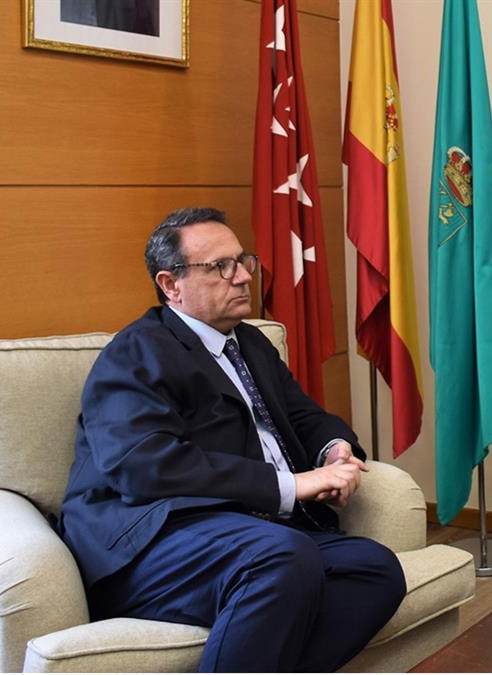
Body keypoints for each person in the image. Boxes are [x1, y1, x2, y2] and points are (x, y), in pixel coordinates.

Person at [58, 207, 405, 672]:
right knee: (281, 556)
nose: (242, 276)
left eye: (242, 260)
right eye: (220, 266)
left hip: (250, 532)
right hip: (152, 540)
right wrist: (290, 485)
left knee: (375, 568)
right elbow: (143, 466)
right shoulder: (136, 352)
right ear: (170, 285)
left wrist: (334, 450)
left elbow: (304, 416)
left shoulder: (251, 342)